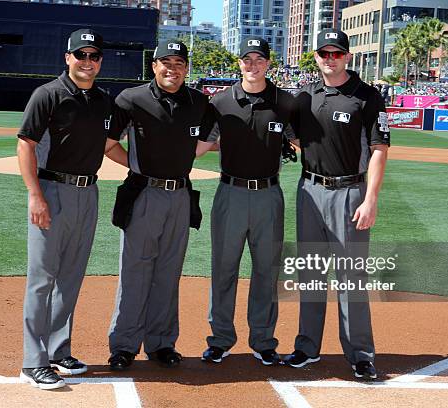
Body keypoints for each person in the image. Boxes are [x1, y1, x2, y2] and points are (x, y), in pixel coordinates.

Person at [17, 29, 123, 389]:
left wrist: (146, 167)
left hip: (87, 192)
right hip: (52, 189)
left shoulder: (104, 101)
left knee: (71, 277)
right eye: (81, 55)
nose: (87, 61)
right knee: (42, 279)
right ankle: (33, 362)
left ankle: (59, 350)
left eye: (94, 56)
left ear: (100, 61)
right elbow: (26, 145)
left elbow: (109, 149)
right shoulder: (47, 95)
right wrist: (35, 196)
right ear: (68, 58)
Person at [284, 28, 390, 381]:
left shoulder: (366, 96)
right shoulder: (305, 95)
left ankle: (360, 354)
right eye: (324, 54)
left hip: (350, 193)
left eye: (337, 54)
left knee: (350, 278)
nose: (330, 59)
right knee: (311, 273)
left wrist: (370, 199)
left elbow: (379, 150)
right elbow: (292, 133)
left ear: (348, 56)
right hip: (310, 190)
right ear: (316, 57)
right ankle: (306, 347)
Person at [106, 39, 211, 370]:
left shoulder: (198, 102)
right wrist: (139, 168)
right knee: (135, 271)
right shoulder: (132, 99)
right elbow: (107, 146)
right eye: (166, 62)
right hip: (145, 194)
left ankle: (162, 343)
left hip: (180, 195)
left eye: (179, 63)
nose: (172, 69)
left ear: (186, 69)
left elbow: (208, 140)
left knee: (168, 272)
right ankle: (123, 345)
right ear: (154, 66)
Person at [196, 37, 296, 366]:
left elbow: (306, 143)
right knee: (224, 268)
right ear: (239, 63)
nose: (253, 65)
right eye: (246, 60)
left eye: (259, 60)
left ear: (269, 63)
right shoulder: (221, 102)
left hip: (269, 194)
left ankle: (263, 339)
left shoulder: (284, 102)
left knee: (266, 270)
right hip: (231, 194)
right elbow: (199, 146)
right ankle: (220, 338)